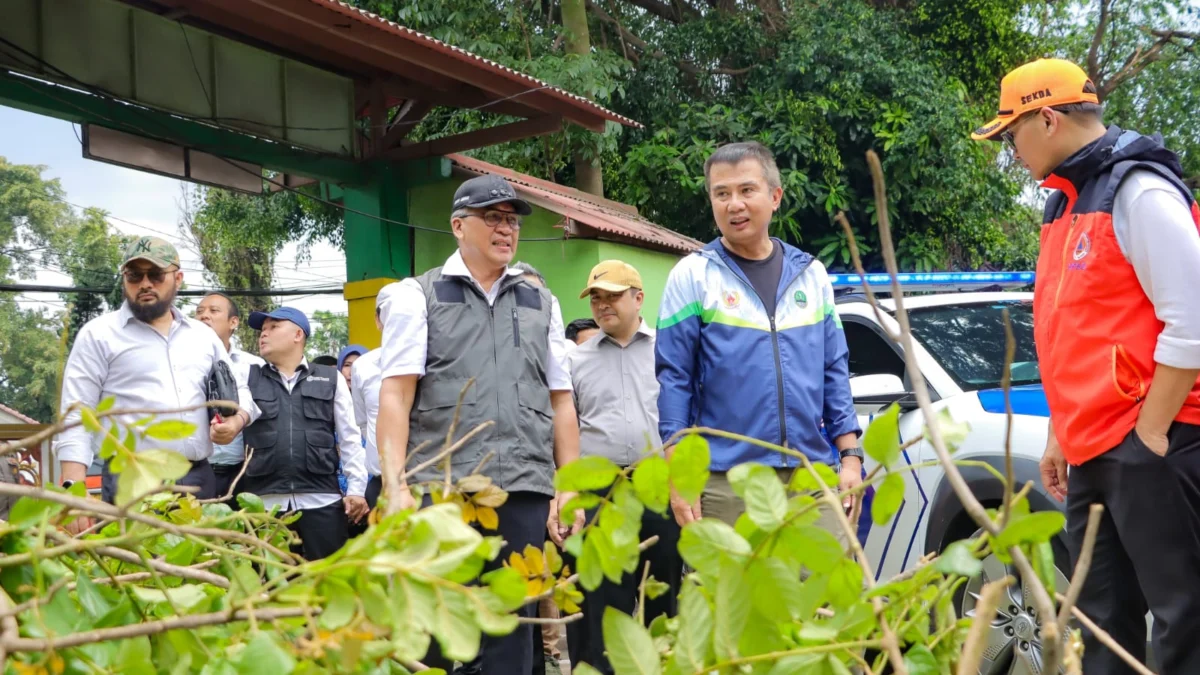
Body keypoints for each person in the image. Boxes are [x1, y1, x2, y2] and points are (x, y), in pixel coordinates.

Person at [972, 58, 1200, 674]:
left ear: (1046, 119)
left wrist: (1151, 432)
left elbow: (1193, 320)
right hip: (1092, 447)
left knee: (1184, 619)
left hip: (1153, 441)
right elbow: (1069, 330)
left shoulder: (1140, 190)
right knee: (1101, 619)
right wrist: (1059, 432)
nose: (1010, 150)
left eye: (1011, 134)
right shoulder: (1061, 206)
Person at [376, 174, 582, 675]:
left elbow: (561, 400)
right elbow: (396, 395)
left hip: (525, 485)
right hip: (441, 485)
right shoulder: (416, 295)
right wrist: (394, 482)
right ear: (458, 226)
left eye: (511, 221)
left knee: (512, 623)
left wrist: (568, 487)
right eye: (493, 218)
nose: (506, 229)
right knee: (440, 619)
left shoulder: (543, 303)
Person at [655, 141, 863, 538]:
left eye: (746, 190)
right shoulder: (694, 275)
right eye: (721, 193)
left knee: (821, 594)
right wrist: (678, 472)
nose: (734, 204)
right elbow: (674, 379)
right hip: (725, 481)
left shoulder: (812, 275)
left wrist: (850, 457)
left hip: (811, 475)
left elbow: (834, 371)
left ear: (775, 196)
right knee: (732, 598)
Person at [55, 237, 254, 519]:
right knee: (136, 562)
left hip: (198, 479)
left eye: (156, 275)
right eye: (135, 275)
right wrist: (72, 490)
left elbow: (241, 390)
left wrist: (237, 419)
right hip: (132, 482)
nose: (145, 283)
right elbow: (76, 412)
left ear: (178, 278)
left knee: (204, 562)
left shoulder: (202, 336)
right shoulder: (99, 334)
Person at [567, 260, 680, 675]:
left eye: (612, 296)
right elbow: (567, 427)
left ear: (638, 298)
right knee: (602, 603)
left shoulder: (668, 352)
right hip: (601, 492)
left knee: (663, 595)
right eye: (596, 297)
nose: (602, 305)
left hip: (658, 487)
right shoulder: (576, 361)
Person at [240, 307, 369, 560]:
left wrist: (356, 489)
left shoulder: (331, 378)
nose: (263, 335)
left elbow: (350, 437)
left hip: (321, 498)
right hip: (264, 503)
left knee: (329, 580)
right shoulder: (248, 376)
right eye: (262, 330)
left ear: (298, 334)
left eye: (273, 327)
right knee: (273, 587)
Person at [512, 261, 566, 675]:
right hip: (509, 481)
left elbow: (563, 415)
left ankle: (547, 657)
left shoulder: (554, 364)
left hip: (545, 484)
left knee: (542, 582)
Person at [195, 292, 265, 502]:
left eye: (213, 311)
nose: (204, 316)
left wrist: (239, 420)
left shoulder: (254, 365)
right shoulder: (181, 364)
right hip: (194, 470)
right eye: (199, 312)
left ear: (233, 322)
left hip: (243, 472)